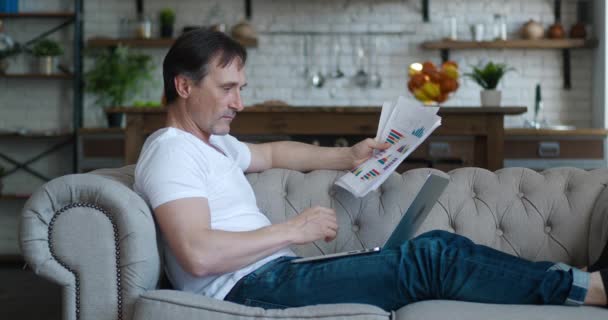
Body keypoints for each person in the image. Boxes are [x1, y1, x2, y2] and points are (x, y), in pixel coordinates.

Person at [134, 29, 608, 311]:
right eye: (228, 88)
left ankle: (575, 281)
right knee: (432, 258)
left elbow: (274, 154)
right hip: (250, 290)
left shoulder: (212, 144)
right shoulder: (172, 151)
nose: (239, 102)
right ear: (184, 85)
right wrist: (291, 230)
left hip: (274, 275)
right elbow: (197, 255)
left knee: (434, 248)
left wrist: (347, 156)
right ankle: (587, 290)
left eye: (241, 87)